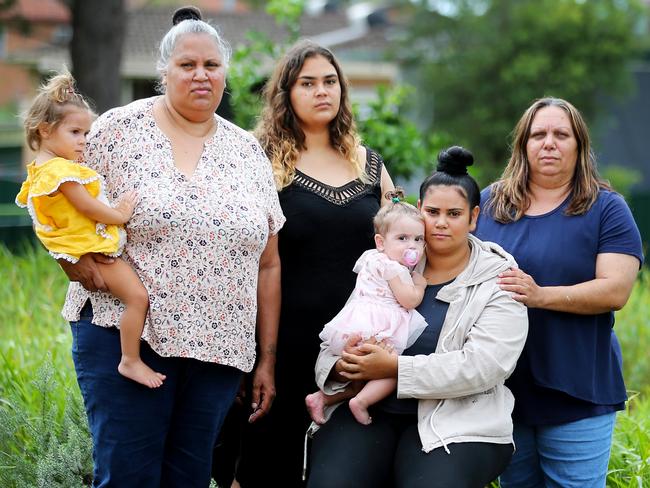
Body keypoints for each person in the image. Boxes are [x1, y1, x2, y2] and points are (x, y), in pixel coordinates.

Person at [57, 6, 285, 487]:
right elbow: (56, 197)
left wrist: (265, 358)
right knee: (128, 477)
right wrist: (70, 261)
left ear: (225, 73)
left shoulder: (248, 152)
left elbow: (268, 264)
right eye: (187, 65)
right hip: (126, 337)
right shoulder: (117, 130)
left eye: (211, 65)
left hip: (219, 350)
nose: (201, 75)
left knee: (190, 477)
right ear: (164, 73)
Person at [306, 146, 528, 488]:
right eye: (432, 212)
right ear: (417, 211)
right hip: (371, 408)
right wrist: (345, 363)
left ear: (473, 217)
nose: (440, 223)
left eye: (454, 213)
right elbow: (339, 336)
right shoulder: (385, 266)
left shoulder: (498, 277)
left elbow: (485, 366)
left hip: (457, 419)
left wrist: (394, 368)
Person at [233, 40, 395, 488]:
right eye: (308, 83)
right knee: (268, 467)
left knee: (349, 469)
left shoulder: (371, 164)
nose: (322, 91)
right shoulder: (256, 161)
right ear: (286, 93)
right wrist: (260, 359)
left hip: (357, 349)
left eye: (330, 82)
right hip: (282, 343)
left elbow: (401, 251)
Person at [475, 97, 644, 487]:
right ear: (523, 145)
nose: (549, 143)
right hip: (503, 392)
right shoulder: (489, 204)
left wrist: (540, 296)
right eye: (538, 134)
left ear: (579, 145)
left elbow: (615, 290)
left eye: (561, 134)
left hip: (577, 390)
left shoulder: (607, 209)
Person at [16, 72, 166, 389]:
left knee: (137, 296)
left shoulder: (42, 169)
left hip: (82, 249)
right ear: (45, 130)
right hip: (92, 254)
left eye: (86, 132)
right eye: (75, 132)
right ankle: (130, 360)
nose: (84, 140)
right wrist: (119, 213)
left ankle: (131, 357)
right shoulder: (60, 171)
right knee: (138, 298)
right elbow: (87, 206)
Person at [305, 199, 428, 426]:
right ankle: (361, 402)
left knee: (362, 374)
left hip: (353, 325)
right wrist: (419, 284)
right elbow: (409, 300)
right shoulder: (393, 267)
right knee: (393, 369)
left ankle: (322, 397)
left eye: (418, 239)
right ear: (381, 242)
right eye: (402, 238)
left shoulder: (371, 258)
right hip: (376, 328)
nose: (412, 246)